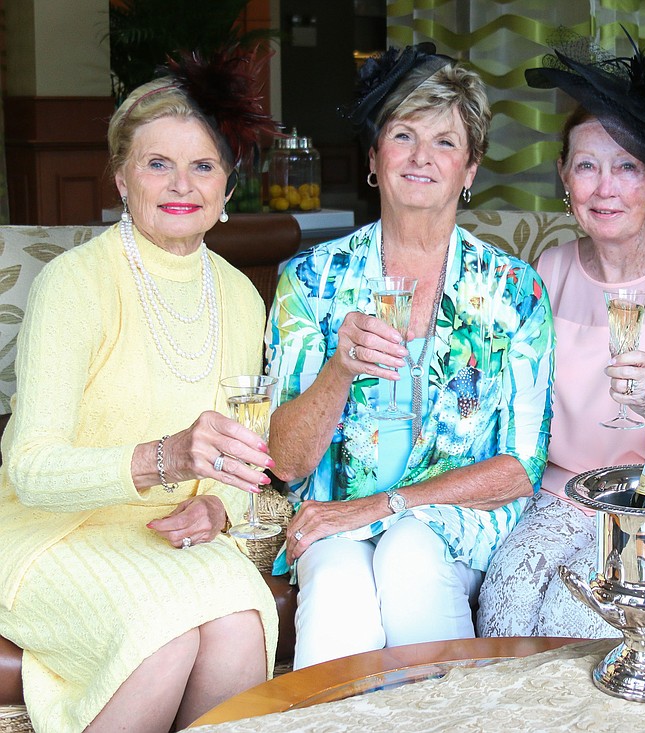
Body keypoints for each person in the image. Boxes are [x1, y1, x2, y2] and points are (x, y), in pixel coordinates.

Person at [0, 49, 281, 733]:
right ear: (123, 177)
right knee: (164, 635)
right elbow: (30, 468)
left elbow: (242, 457)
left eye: (203, 166)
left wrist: (216, 508)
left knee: (245, 619)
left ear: (226, 188)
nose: (181, 183)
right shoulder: (74, 283)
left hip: (166, 538)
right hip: (51, 534)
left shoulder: (242, 297)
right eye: (158, 163)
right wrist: (167, 459)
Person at [265, 42, 554, 670]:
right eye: (404, 135)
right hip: (334, 517)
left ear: (470, 170)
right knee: (339, 583)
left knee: (408, 555)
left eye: (446, 143)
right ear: (374, 157)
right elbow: (288, 463)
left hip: (453, 524)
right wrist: (338, 367)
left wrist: (390, 506)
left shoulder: (513, 291)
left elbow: (519, 469)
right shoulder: (312, 283)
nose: (423, 157)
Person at [477, 31, 645, 639]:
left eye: (627, 167)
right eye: (587, 166)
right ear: (563, 178)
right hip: (568, 492)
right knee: (506, 599)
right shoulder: (547, 271)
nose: (605, 188)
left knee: (576, 615)